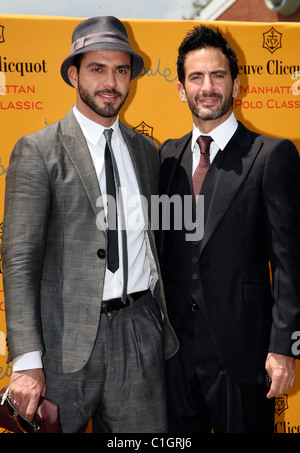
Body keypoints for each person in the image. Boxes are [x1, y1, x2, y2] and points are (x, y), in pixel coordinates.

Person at [1, 16, 178, 433]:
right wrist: (27, 360)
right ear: (73, 73)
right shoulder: (38, 150)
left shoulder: (147, 152)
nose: (110, 82)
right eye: (97, 69)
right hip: (62, 345)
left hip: (139, 335)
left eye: (120, 70)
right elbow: (20, 260)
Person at [158, 25, 300, 433]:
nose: (207, 87)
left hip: (244, 355)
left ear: (237, 85)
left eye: (218, 76)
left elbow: (291, 264)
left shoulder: (272, 156)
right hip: (175, 356)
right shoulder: (166, 157)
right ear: (181, 90)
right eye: (196, 77)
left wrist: (284, 348)